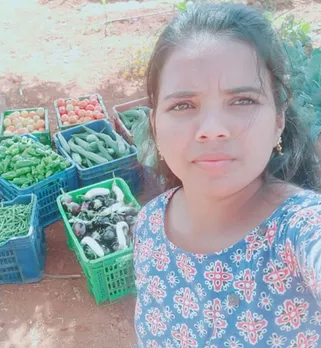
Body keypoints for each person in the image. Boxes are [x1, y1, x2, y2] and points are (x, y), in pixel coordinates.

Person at [133, 3, 321, 347]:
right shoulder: (149, 227)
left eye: (243, 101)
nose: (212, 129)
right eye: (183, 105)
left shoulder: (301, 231)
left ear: (279, 119)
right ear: (155, 126)